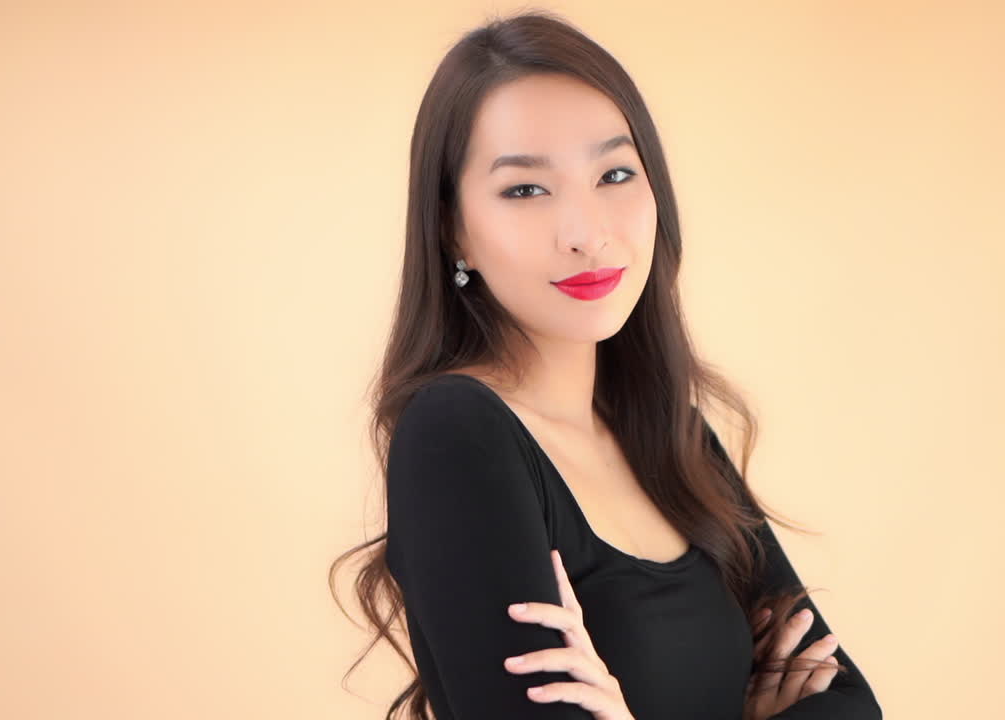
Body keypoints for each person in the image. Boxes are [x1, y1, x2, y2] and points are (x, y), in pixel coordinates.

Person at [330, 10, 882, 720]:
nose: (586, 234)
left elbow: (849, 707)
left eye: (615, 174)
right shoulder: (457, 436)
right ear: (451, 229)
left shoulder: (669, 433)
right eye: (525, 189)